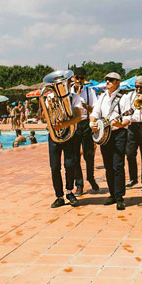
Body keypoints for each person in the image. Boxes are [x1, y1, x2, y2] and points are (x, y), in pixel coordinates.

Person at [90, 72, 131, 210]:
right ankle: (112, 194)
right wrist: (92, 123)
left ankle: (119, 197)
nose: (107, 82)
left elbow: (128, 117)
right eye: (106, 80)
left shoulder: (123, 98)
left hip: (118, 133)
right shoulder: (101, 97)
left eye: (111, 80)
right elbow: (95, 114)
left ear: (118, 82)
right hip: (105, 135)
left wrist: (121, 124)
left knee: (118, 165)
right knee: (108, 166)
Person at [44, 70, 82, 208]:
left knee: (69, 165)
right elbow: (46, 117)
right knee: (54, 167)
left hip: (69, 135)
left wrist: (64, 124)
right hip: (54, 136)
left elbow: (78, 117)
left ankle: (69, 192)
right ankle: (59, 196)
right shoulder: (49, 98)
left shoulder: (74, 97)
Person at [71, 67, 99, 196]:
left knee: (89, 154)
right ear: (73, 78)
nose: (79, 80)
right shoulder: (68, 91)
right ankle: (79, 184)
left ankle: (91, 178)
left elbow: (95, 109)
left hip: (86, 123)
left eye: (82, 78)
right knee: (75, 156)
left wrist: (84, 106)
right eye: (77, 77)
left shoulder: (90, 91)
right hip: (74, 125)